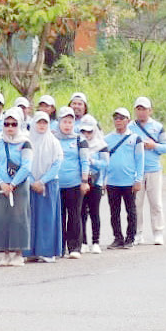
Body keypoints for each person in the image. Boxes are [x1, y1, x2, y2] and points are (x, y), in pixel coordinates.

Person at [0, 109, 34, 267]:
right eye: (7, 124)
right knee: (1, 218)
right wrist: (1, 183)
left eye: (14, 124)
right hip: (1, 185)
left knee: (19, 218)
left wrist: (13, 184)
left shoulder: (25, 142)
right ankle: (6, 253)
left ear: (19, 125)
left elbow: (26, 166)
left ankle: (19, 253)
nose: (10, 127)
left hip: (19, 186)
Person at [22, 111, 62, 263]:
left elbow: (57, 164)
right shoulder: (27, 141)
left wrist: (42, 181)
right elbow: (23, 163)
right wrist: (32, 180)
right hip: (29, 183)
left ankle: (47, 251)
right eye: (39, 122)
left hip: (48, 184)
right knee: (29, 218)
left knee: (47, 217)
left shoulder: (54, 142)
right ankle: (30, 251)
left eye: (45, 122)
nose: (42, 125)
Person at [103, 108, 146, 249]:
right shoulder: (107, 139)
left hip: (129, 182)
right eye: (116, 118)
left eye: (121, 118)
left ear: (127, 120)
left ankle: (130, 238)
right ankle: (117, 238)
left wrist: (138, 179)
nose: (118, 121)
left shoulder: (135, 138)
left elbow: (140, 160)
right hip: (112, 181)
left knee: (131, 211)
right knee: (114, 212)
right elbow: (103, 159)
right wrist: (103, 180)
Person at [131, 97, 166, 246]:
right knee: (136, 203)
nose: (141, 112)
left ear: (150, 110)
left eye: (144, 109)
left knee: (155, 203)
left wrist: (154, 146)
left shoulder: (158, 127)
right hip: (136, 171)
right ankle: (137, 233)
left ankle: (158, 232)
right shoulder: (130, 127)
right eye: (138, 109)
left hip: (153, 169)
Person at [54, 111, 90, 260]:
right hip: (56, 184)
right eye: (64, 122)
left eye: (70, 122)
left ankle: (75, 247)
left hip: (75, 184)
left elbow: (85, 161)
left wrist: (84, 181)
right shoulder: (53, 138)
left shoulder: (79, 140)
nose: (67, 125)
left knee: (75, 215)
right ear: (59, 123)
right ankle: (60, 247)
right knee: (59, 216)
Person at [80, 116, 109, 253]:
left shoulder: (101, 145)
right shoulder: (79, 144)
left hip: (96, 182)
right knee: (81, 213)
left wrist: (93, 162)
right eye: (84, 131)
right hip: (82, 182)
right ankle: (83, 242)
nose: (86, 134)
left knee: (94, 212)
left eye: (89, 132)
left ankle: (96, 241)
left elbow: (105, 163)